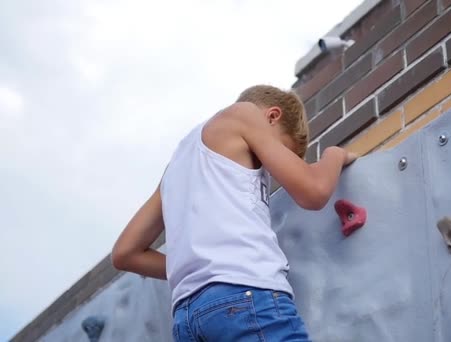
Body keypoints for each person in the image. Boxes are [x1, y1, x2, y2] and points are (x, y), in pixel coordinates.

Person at [111, 84, 357, 341]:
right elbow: (314, 191)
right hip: (245, 299)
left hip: (187, 320)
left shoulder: (175, 168)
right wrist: (334, 155)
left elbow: (125, 253)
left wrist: (202, 261)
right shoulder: (244, 114)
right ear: (272, 117)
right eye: (278, 152)